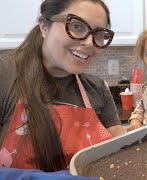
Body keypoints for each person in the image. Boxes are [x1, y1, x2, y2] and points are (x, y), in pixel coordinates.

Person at [0, 0, 125, 172]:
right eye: (77, 26)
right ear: (44, 27)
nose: (89, 43)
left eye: (98, 34)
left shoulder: (97, 89)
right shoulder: (4, 76)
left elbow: (122, 153)